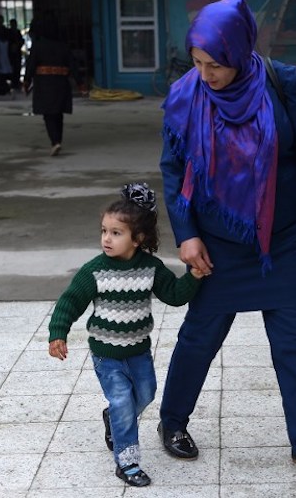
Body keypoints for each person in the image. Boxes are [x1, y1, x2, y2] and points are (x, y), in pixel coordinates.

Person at [158, 0, 296, 482]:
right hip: (217, 241)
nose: (206, 74)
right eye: (199, 62)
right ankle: (172, 422)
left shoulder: (279, 81)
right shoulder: (187, 94)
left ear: (240, 49)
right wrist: (185, 235)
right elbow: (174, 166)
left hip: (282, 239)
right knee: (200, 336)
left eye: (216, 65)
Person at [48, 182, 206, 488]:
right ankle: (127, 462)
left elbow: (174, 295)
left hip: (138, 351)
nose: (107, 238)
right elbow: (70, 302)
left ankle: (113, 418)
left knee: (145, 394)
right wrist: (59, 333)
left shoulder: (150, 268)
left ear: (139, 238)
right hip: (106, 354)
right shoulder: (94, 271)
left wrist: (194, 276)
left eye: (116, 233)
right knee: (122, 400)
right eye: (104, 231)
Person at [23, 18, 80, 156]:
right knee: (58, 113)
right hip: (60, 83)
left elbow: (31, 65)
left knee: (48, 114)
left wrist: (26, 81)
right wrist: (80, 83)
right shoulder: (63, 46)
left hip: (44, 83)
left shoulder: (38, 46)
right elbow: (73, 65)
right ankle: (58, 140)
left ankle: (55, 142)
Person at [7, 19, 25, 89]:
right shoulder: (9, 32)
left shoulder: (17, 32)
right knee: (13, 68)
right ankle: (14, 81)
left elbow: (21, 41)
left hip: (16, 53)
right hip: (12, 54)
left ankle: (16, 81)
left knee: (17, 67)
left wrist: (18, 44)